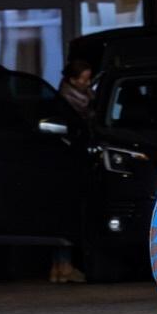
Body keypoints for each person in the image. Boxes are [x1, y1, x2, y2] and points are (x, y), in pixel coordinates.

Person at [47, 58, 94, 283]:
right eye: (84, 79)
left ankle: (59, 266)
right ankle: (64, 265)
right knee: (68, 215)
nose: (88, 84)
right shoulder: (68, 102)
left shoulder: (69, 98)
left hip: (65, 163)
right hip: (67, 164)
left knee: (63, 216)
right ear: (72, 80)